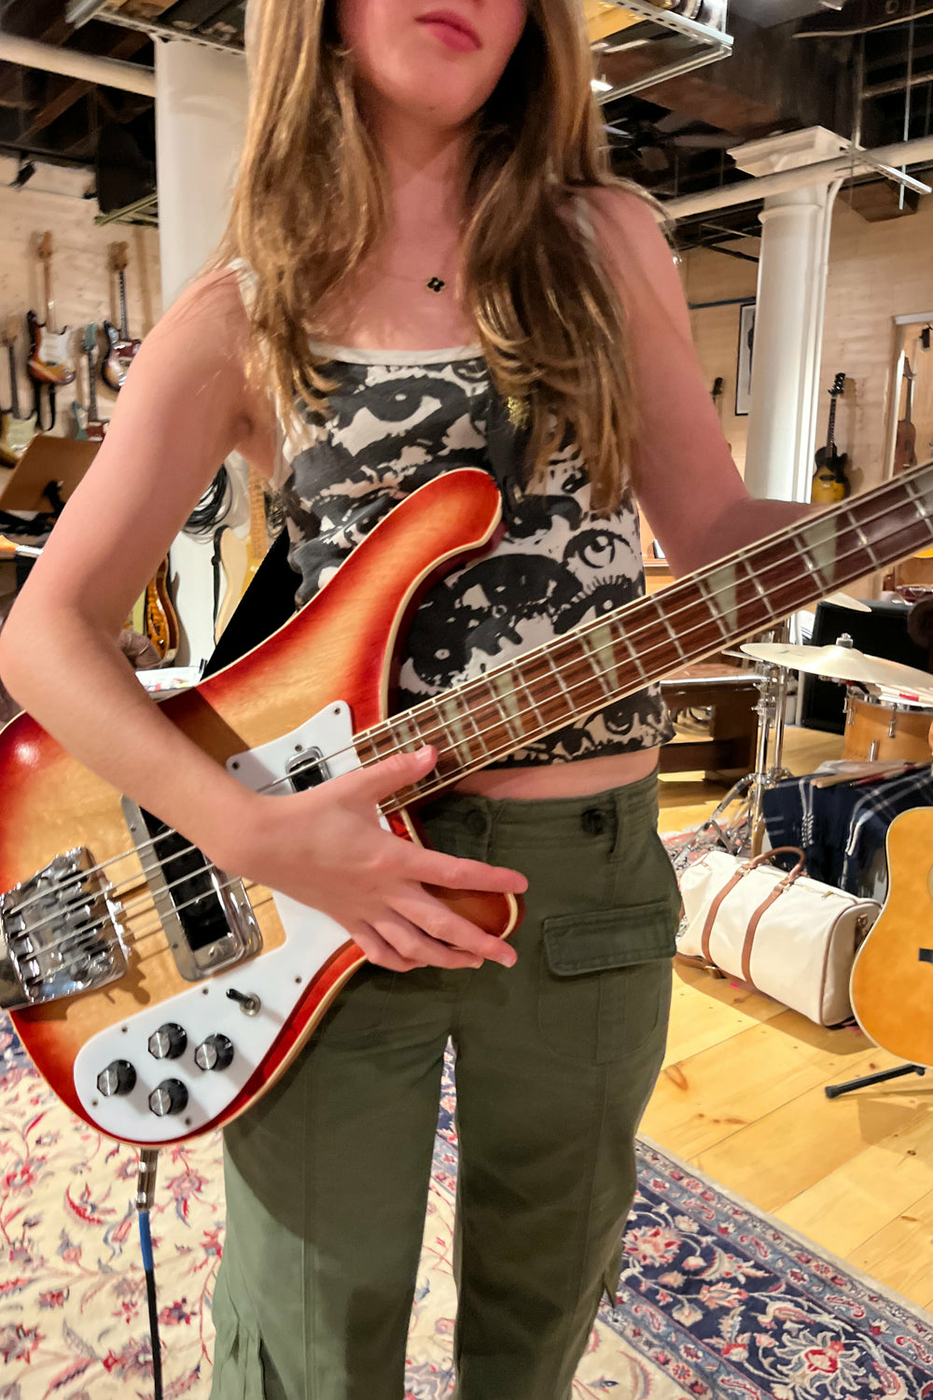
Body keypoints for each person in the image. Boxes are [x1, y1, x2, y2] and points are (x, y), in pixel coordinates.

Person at [0, 2, 811, 1396]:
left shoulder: (609, 240)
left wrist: (895, 532)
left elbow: (712, 526)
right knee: (312, 1320)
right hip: (325, 880)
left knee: (546, 1293)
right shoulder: (244, 308)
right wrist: (246, 833)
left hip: (586, 883)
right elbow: (46, 634)